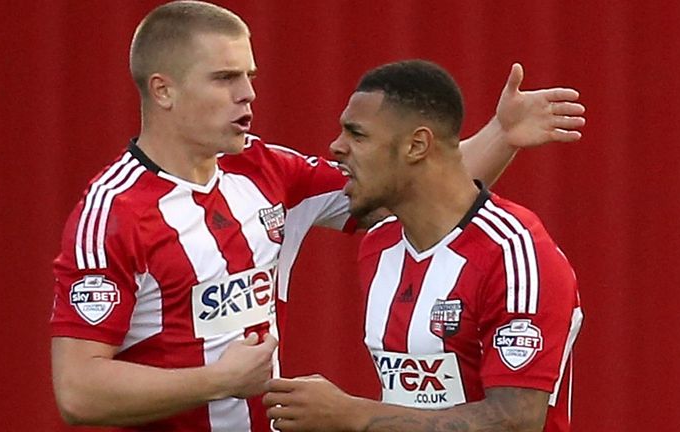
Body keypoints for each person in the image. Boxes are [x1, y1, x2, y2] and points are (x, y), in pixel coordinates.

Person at [49, 2, 585, 432]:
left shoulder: (263, 169)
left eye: (250, 76)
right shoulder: (113, 213)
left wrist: (500, 135)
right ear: (163, 89)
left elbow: (410, 181)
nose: (248, 94)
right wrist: (217, 380)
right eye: (224, 78)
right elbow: (78, 391)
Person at [263, 60, 583, 432]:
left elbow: (516, 422)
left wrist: (351, 415)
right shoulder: (380, 246)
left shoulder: (514, 254)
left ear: (416, 145)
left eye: (358, 135)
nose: (337, 147)